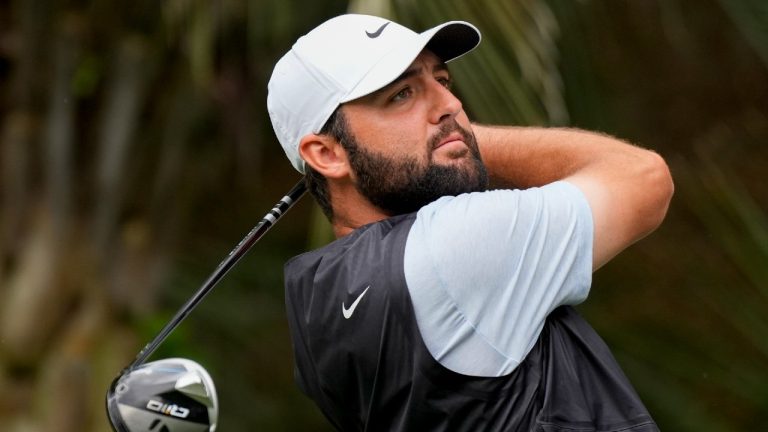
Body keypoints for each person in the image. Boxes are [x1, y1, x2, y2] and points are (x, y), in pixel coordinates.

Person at [267, 14, 673, 432]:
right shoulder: (449, 246)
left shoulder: (315, 303)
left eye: (441, 82)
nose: (453, 106)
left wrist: (440, 137)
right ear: (327, 154)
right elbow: (643, 178)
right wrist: (460, 137)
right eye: (402, 94)